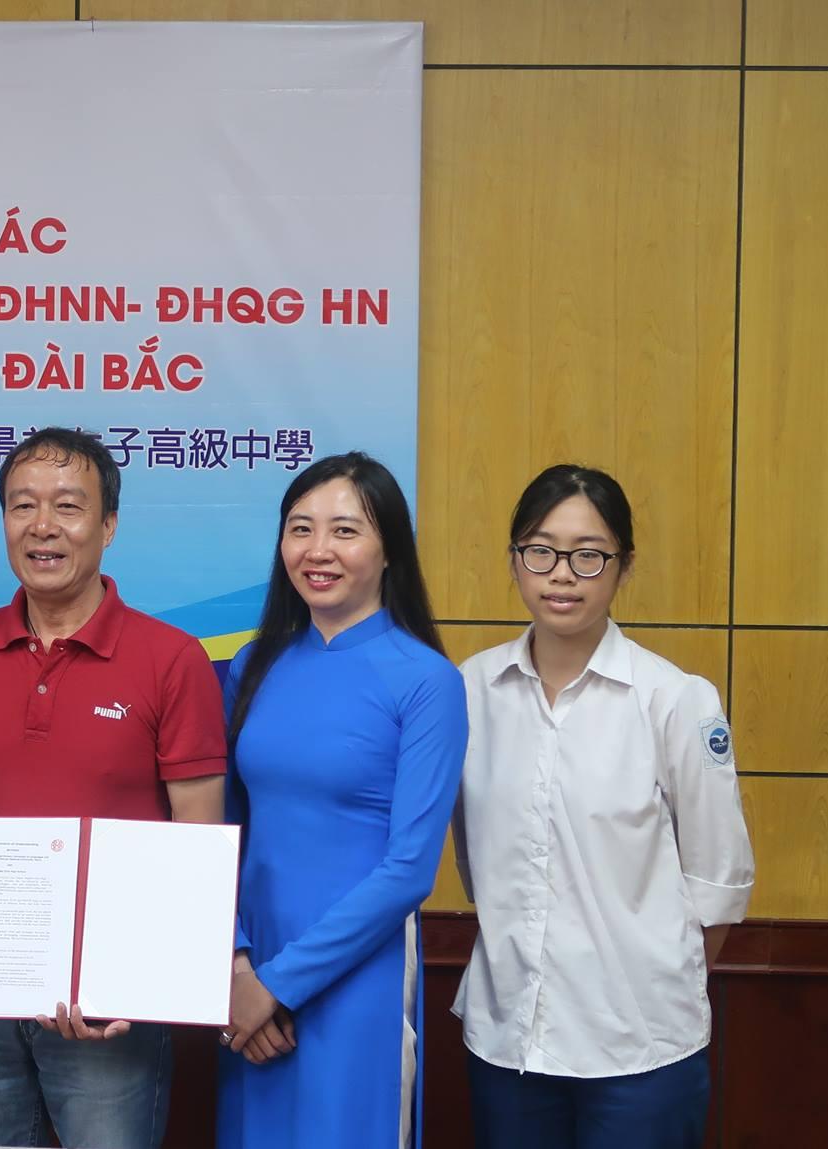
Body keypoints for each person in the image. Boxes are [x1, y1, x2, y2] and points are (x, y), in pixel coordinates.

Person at [0, 428, 228, 1149]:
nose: (43, 526)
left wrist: (136, 979)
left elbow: (198, 842)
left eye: (68, 506)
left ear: (108, 525)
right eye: (22, 506)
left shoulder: (171, 659)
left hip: (108, 1007)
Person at [451, 465, 753, 1149]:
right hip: (508, 1041)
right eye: (541, 549)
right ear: (515, 559)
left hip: (640, 1049)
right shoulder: (469, 691)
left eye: (589, 554)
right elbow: (475, 861)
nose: (562, 573)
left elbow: (718, 881)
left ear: (624, 566)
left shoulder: (674, 699)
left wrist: (644, 983)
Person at [217, 452, 467, 1149]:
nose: (318, 550)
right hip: (248, 976)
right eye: (300, 528)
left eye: (345, 530)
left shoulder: (427, 681)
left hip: (361, 983)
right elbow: (225, 828)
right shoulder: (253, 664)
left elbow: (409, 870)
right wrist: (238, 966)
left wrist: (281, 984)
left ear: (389, 549)